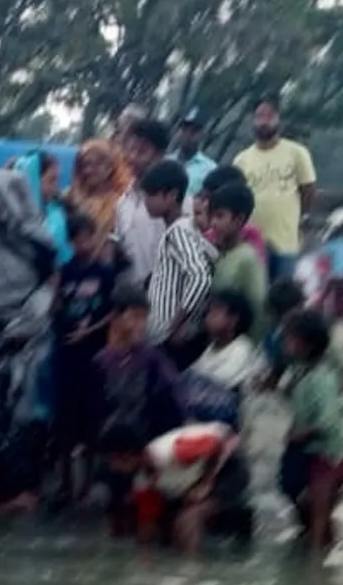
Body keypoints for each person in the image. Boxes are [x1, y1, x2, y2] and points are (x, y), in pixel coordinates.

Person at [0, 162, 59, 512]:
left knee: (26, 415)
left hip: (32, 338)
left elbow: (52, 282)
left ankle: (26, 491)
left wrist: (30, 318)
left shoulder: (37, 236)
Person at [51, 209, 124, 502]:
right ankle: (66, 483)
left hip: (95, 356)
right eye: (77, 239)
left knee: (92, 420)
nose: (83, 244)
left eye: (87, 237)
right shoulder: (65, 271)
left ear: (95, 238)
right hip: (67, 356)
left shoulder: (105, 273)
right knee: (64, 424)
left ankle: (86, 484)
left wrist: (90, 329)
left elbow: (114, 311)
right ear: (70, 241)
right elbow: (55, 308)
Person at [102, 421, 251, 552]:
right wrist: (144, 556)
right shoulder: (143, 481)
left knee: (190, 518)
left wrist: (205, 483)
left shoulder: (172, 451)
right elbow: (147, 524)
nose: (112, 467)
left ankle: (192, 568)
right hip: (197, 473)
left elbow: (216, 445)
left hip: (230, 463)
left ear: (127, 455)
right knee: (171, 528)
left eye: (112, 461)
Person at [94, 286, 185, 471]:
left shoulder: (154, 361)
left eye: (144, 317)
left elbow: (174, 407)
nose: (141, 325)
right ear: (115, 318)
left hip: (148, 454)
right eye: (134, 317)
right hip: (110, 455)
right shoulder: (100, 362)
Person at [279, 309, 343, 550]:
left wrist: (299, 434)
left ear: (305, 344)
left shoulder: (322, 378)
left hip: (326, 456)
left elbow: (328, 421)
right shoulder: (299, 372)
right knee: (299, 498)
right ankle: (319, 546)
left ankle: (318, 568)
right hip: (310, 452)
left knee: (319, 519)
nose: (284, 341)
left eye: (289, 337)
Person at [233, 96, 316, 281]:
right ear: (253, 121)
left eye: (269, 116)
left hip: (285, 242)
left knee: (282, 297)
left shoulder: (297, 153)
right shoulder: (241, 160)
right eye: (259, 116)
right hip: (251, 243)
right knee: (255, 297)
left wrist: (295, 216)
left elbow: (308, 191)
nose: (264, 121)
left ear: (278, 120)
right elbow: (236, 199)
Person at [139, 162, 212, 365]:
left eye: (151, 194)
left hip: (168, 338)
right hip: (165, 335)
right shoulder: (185, 228)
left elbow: (200, 277)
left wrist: (178, 323)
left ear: (171, 196)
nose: (146, 201)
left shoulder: (178, 232)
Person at [182, 288, 264, 428]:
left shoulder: (242, 349)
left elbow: (218, 384)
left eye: (215, 313)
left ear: (233, 320)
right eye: (208, 313)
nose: (208, 318)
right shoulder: (211, 348)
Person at [114, 118, 172, 287]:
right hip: (130, 302)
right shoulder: (123, 203)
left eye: (141, 151)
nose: (132, 157)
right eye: (130, 150)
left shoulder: (175, 204)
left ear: (160, 155)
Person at [206, 180, 267, 337]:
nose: (213, 223)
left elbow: (258, 308)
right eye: (211, 216)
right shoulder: (215, 253)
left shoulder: (248, 259)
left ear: (239, 219)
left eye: (220, 216)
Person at [64, 138, 128, 254]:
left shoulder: (121, 201)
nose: (88, 170)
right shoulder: (70, 197)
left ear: (109, 168)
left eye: (96, 165)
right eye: (85, 165)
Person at [172, 110, 217, 206]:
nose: (187, 135)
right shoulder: (165, 161)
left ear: (203, 135)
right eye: (184, 129)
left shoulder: (210, 170)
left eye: (193, 131)